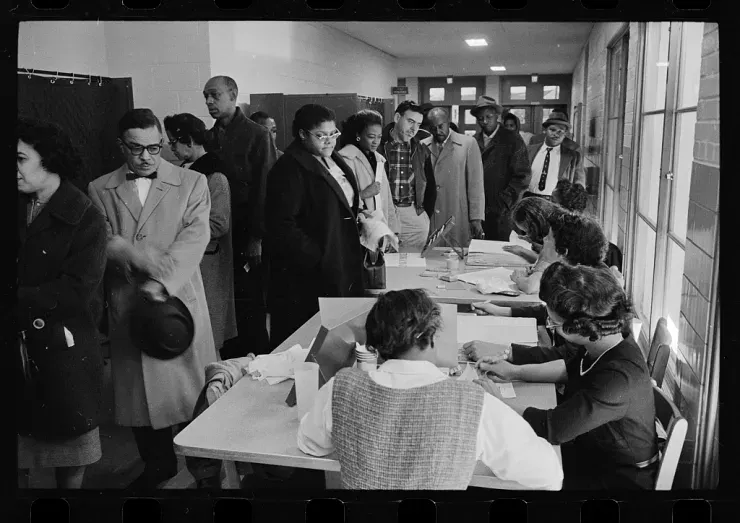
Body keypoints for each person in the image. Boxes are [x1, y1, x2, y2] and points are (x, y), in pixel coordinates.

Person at [297, 289, 563, 490]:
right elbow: (549, 473)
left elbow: (310, 443)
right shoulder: (473, 403)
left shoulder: (341, 387)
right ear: (432, 336)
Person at [88, 108, 217, 489]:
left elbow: (195, 238)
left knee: (193, 392)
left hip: (177, 300)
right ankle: (156, 465)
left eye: (155, 147)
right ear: (120, 146)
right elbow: (102, 238)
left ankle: (206, 468)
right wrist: (130, 257)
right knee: (140, 400)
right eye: (136, 148)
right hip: (129, 299)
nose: (146, 156)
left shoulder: (193, 182)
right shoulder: (100, 188)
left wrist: (162, 279)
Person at [467, 263, 659, 489]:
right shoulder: (608, 340)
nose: (551, 326)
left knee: (498, 472)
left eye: (553, 323)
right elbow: (569, 369)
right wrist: (514, 371)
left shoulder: (619, 378)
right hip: (590, 451)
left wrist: (498, 402)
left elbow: (554, 428)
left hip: (615, 478)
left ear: (580, 327)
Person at [16, 118, 108, 489]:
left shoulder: (85, 216)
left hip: (62, 347)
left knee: (71, 449)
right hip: (16, 344)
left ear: (49, 160)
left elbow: (75, 293)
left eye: (20, 158)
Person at [265, 104, 365, 349]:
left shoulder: (332, 158)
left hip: (338, 261)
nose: (330, 141)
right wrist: (319, 257)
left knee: (338, 341)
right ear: (302, 135)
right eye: (321, 135)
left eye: (334, 134)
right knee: (311, 345)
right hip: (311, 274)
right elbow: (282, 226)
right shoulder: (288, 168)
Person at [203, 75, 277, 357]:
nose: (209, 101)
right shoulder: (209, 137)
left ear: (233, 95)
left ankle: (258, 360)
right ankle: (230, 361)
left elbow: (265, 190)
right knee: (225, 302)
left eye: (214, 95)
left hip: (247, 233)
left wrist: (257, 238)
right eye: (206, 96)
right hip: (218, 235)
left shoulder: (257, 135)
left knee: (250, 304)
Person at [164, 113, 237, 353]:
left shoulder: (215, 176)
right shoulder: (187, 171)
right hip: (191, 260)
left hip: (208, 262)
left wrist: (178, 228)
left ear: (188, 141)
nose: (171, 148)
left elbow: (219, 223)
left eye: (173, 141)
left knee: (209, 331)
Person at [471, 96, 531, 241]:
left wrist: (503, 202)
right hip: (478, 210)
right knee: (478, 249)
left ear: (497, 116)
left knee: (499, 251)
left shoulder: (512, 139)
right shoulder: (473, 140)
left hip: (503, 211)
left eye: (488, 117)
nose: (484, 121)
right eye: (480, 118)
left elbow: (522, 176)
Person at [378, 101, 436, 252]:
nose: (414, 129)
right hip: (384, 212)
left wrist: (422, 213)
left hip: (412, 212)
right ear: (397, 117)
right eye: (410, 121)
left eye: (418, 124)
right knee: (385, 263)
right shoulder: (378, 144)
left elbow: (430, 186)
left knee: (412, 263)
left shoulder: (421, 149)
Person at [425, 107, 485, 248]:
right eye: (433, 128)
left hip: (458, 212)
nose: (438, 131)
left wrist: (476, 218)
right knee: (433, 258)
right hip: (431, 214)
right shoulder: (423, 145)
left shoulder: (468, 144)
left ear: (448, 122)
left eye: (441, 126)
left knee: (457, 256)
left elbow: (476, 184)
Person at [509, 211, 608, 295]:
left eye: (548, 238)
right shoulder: (580, 266)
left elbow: (529, 286)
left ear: (562, 251)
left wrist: (518, 278)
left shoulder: (581, 279)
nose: (544, 239)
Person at [337, 110, 396, 231]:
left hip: (380, 228)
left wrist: (393, 230)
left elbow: (387, 199)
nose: (376, 142)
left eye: (379, 137)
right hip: (357, 228)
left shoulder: (379, 159)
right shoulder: (346, 158)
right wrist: (364, 194)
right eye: (371, 137)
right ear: (358, 135)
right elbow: (338, 200)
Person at [552, 179, 623, 272]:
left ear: (562, 209)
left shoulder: (565, 241)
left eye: (553, 202)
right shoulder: (613, 251)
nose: (551, 206)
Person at [525, 112, 586, 199]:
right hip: (528, 198)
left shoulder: (573, 156)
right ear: (545, 130)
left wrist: (575, 199)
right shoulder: (529, 150)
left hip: (556, 202)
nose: (556, 134)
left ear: (565, 133)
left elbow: (579, 180)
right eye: (552, 130)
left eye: (561, 131)